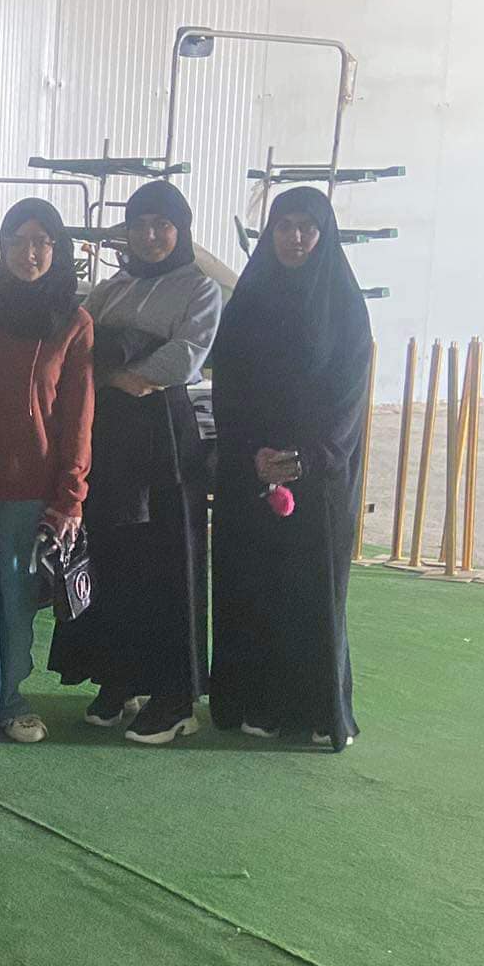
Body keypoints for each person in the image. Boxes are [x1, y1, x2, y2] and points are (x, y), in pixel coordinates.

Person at [49, 180, 222, 746]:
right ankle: (118, 678)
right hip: (109, 438)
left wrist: (124, 372)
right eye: (140, 224)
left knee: (166, 564)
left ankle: (174, 698)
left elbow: (184, 357)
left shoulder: (200, 288)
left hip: (164, 443)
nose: (150, 236)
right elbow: (79, 344)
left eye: (162, 225)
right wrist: (112, 370)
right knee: (113, 556)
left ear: (181, 230)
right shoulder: (113, 286)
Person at [209, 187, 373, 749]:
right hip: (251, 470)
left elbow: (348, 399)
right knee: (252, 587)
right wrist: (251, 454)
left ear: (324, 235)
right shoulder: (248, 299)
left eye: (307, 227)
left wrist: (304, 459)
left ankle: (312, 710)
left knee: (309, 591)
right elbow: (229, 386)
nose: (295, 237)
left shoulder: (344, 306)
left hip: (317, 476)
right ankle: (254, 700)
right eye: (284, 226)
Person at [0, 199, 94, 763]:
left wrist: (71, 495)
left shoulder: (74, 323)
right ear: (2, 245)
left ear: (57, 250)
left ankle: (10, 701)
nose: (28, 253)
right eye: (17, 240)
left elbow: (78, 417)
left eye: (41, 242)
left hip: (36, 487)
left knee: (18, 599)